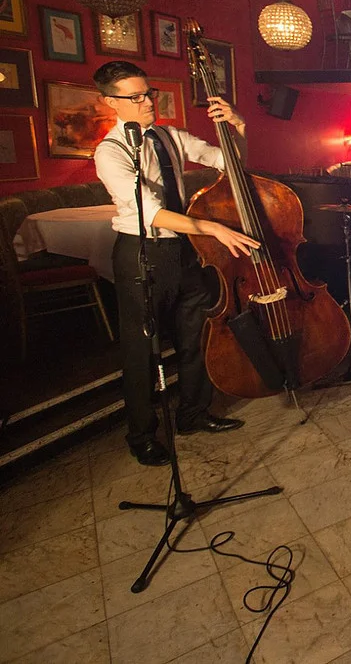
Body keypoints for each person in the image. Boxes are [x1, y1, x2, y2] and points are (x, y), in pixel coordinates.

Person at [92, 61, 257, 466]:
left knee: (196, 335)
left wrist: (238, 126)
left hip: (185, 252)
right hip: (142, 253)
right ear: (110, 102)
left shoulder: (169, 137)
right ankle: (142, 434)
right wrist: (212, 228)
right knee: (141, 350)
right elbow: (149, 212)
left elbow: (227, 162)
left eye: (149, 93)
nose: (148, 102)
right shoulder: (109, 152)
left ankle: (194, 414)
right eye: (136, 96)